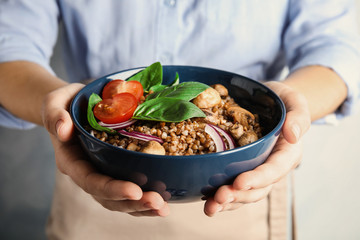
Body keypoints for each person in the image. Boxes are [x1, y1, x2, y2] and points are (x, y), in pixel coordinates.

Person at [0, 1, 359, 239]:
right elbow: (8, 43)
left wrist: (294, 105)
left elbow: (335, 45)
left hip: (244, 187)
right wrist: (58, 106)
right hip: (94, 171)